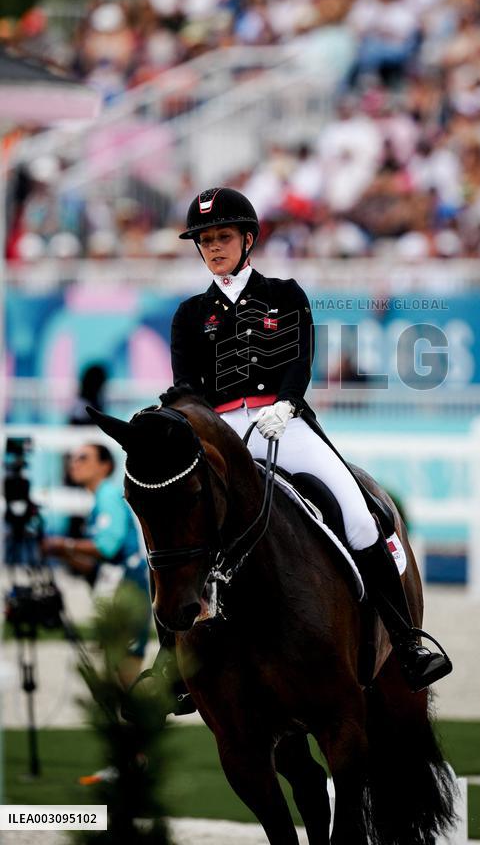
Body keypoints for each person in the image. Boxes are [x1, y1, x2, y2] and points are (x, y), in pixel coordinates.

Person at [137, 187, 451, 710]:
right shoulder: (190, 315)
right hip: (219, 435)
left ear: (247, 239)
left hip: (283, 423)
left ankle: (407, 644)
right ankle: (169, 662)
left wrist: (284, 404)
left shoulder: (284, 295)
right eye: (206, 240)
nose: (213, 248)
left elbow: (299, 362)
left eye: (223, 237)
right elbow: (185, 384)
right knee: (171, 527)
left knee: (359, 515)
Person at [42, 443, 152, 690]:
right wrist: (59, 551)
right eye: (72, 458)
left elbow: (107, 548)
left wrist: (63, 544)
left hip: (126, 592)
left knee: (126, 671)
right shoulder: (101, 499)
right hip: (118, 588)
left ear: (104, 466)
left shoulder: (108, 496)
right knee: (120, 668)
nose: (74, 463)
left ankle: (139, 722)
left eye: (83, 457)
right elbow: (98, 565)